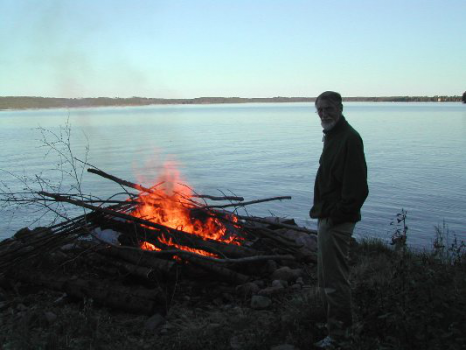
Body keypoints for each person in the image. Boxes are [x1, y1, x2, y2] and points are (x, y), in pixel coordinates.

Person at [310, 91, 369, 348]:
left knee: (335, 282)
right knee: (325, 279)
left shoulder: (349, 139)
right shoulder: (332, 136)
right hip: (326, 216)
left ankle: (340, 337)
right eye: (320, 109)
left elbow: (357, 190)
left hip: (336, 220)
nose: (324, 113)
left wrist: (335, 218)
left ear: (341, 108)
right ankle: (332, 325)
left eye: (328, 108)